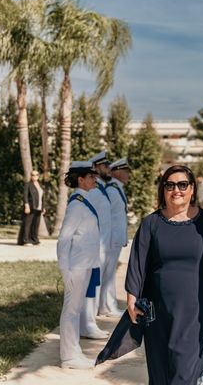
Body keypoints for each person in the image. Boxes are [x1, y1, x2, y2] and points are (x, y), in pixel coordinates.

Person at [125, 164, 203, 384]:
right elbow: (138, 262)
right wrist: (132, 298)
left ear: (192, 190)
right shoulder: (151, 223)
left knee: (184, 372)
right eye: (169, 185)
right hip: (157, 311)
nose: (176, 190)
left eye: (182, 184)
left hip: (194, 311)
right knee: (159, 373)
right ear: (163, 190)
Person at [57, 161, 100, 369]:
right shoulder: (76, 205)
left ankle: (74, 351)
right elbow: (64, 240)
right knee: (71, 311)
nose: (95, 179)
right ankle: (68, 357)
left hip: (85, 264)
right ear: (80, 180)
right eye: (91, 177)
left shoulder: (84, 201)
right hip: (76, 266)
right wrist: (65, 271)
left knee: (75, 310)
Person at [81, 150, 112, 339]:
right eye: (105, 166)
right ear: (97, 167)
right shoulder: (93, 190)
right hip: (94, 244)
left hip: (101, 243)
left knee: (95, 284)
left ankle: (90, 322)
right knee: (90, 285)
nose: (109, 169)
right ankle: (88, 324)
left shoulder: (99, 188)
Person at [98, 157, 131, 317]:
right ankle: (106, 306)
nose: (128, 175)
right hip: (110, 238)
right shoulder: (111, 190)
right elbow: (106, 217)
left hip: (115, 237)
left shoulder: (117, 188)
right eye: (125, 171)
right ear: (116, 172)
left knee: (110, 272)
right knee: (108, 273)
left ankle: (106, 305)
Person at [18, 170, 45, 246]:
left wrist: (43, 207)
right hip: (31, 207)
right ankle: (26, 240)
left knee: (36, 224)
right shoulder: (28, 184)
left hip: (39, 208)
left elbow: (42, 197)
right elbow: (25, 196)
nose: (34, 176)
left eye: (36, 175)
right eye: (33, 175)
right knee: (28, 224)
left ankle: (34, 240)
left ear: (38, 176)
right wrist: (26, 205)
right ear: (31, 176)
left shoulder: (40, 185)